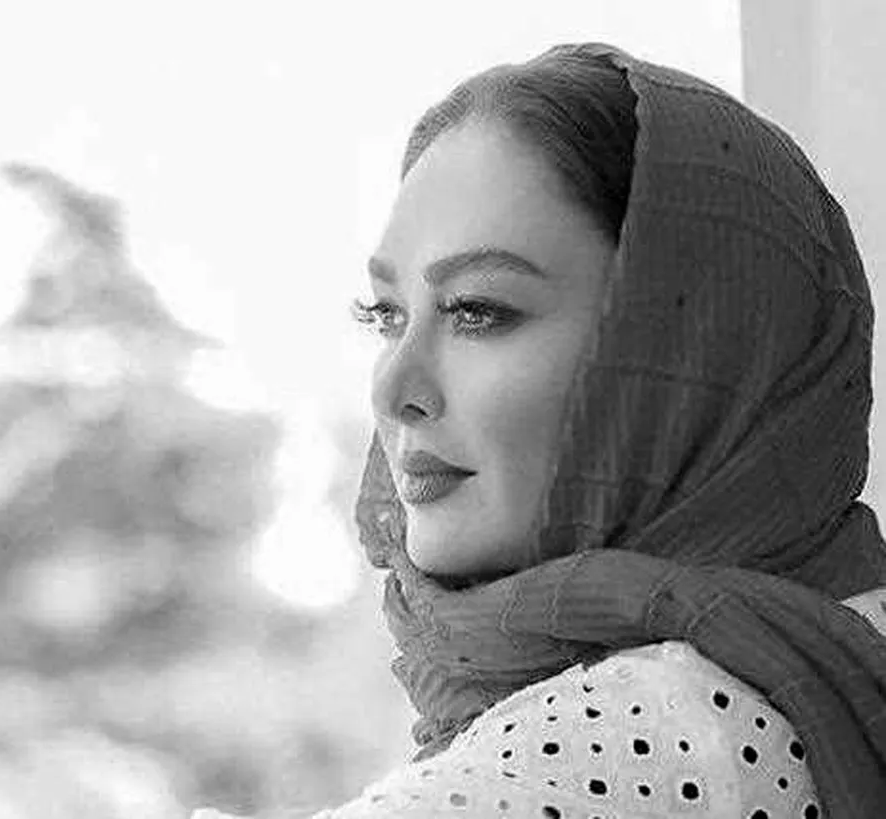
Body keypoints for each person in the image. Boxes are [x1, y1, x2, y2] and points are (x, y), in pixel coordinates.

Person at [196, 42, 886, 818]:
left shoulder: (605, 756)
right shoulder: (850, 635)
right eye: (385, 315)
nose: (392, 389)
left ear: (689, 350)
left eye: (477, 310)